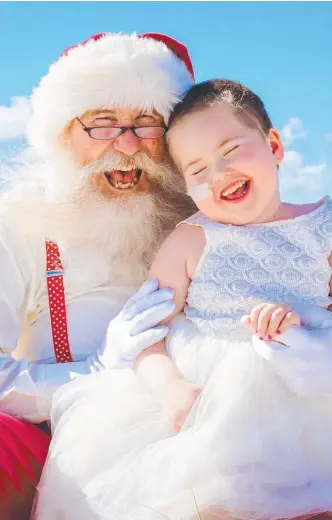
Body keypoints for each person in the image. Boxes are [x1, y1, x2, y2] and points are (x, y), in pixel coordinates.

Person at [34, 79, 332, 520]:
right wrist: (169, 387)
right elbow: (146, 332)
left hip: (308, 401)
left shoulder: (322, 224)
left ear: (274, 145)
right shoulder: (192, 239)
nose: (218, 173)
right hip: (210, 404)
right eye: (196, 170)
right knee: (203, 500)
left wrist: (309, 326)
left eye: (230, 150)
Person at [0, 31, 196, 519]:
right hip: (58, 435)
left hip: (194, 422)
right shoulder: (20, 221)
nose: (127, 144)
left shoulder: (205, 217)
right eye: (103, 123)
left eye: (147, 122)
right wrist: (97, 373)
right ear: (63, 134)